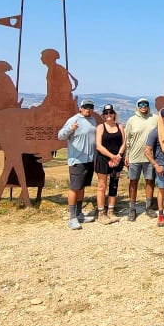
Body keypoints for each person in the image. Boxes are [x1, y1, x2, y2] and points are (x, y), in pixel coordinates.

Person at [57, 98, 98, 230]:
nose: (88, 109)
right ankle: (72, 218)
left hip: (89, 160)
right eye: (86, 107)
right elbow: (60, 136)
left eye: (90, 107)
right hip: (77, 160)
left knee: (81, 187)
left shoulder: (93, 120)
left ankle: (79, 214)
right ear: (80, 108)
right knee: (74, 188)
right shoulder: (74, 120)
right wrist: (70, 128)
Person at [124, 97, 158, 221]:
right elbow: (127, 139)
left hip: (150, 158)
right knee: (133, 182)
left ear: (149, 106)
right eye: (141, 104)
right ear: (137, 106)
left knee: (150, 181)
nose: (143, 106)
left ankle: (148, 207)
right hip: (134, 157)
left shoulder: (155, 119)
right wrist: (126, 155)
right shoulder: (131, 120)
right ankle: (132, 208)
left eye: (146, 104)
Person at [94, 104, 126, 224]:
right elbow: (98, 145)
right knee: (102, 186)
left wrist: (118, 156)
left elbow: (124, 142)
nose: (108, 115)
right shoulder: (100, 127)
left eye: (110, 112)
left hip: (117, 159)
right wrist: (112, 156)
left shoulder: (120, 126)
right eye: (106, 113)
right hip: (103, 159)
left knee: (114, 185)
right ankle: (101, 213)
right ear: (103, 115)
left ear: (114, 114)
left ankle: (111, 211)